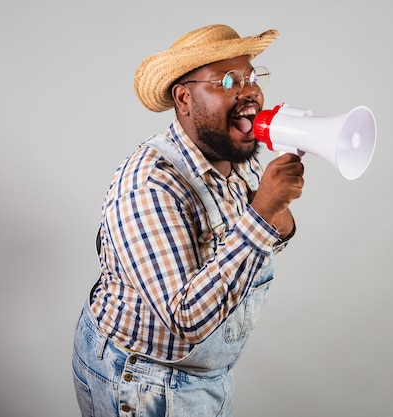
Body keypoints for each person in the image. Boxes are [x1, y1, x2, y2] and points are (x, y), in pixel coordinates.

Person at [71, 24, 304, 417]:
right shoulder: (148, 185)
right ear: (184, 97)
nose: (248, 91)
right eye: (228, 80)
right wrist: (263, 211)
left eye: (251, 77)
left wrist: (273, 210)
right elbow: (186, 318)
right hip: (145, 382)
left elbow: (260, 234)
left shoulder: (232, 154)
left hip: (203, 375)